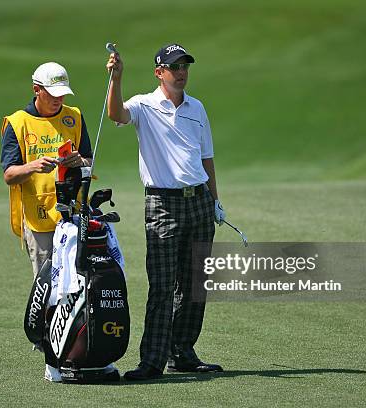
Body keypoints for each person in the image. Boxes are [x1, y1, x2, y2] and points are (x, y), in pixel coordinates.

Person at [106, 43, 227, 380]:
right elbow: (116, 115)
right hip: (163, 203)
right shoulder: (144, 105)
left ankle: (183, 353)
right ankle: (152, 361)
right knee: (162, 286)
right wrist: (116, 78)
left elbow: (206, 158)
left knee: (195, 283)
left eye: (185, 66)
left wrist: (215, 200)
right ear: (159, 72)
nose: (182, 72)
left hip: (200, 202)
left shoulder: (197, 108)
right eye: (175, 67)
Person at [1, 62, 93, 279]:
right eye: (53, 94)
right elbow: (9, 175)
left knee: (78, 280)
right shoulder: (17, 123)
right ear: (36, 89)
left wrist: (78, 160)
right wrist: (33, 166)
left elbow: (89, 160)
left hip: (75, 211)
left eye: (62, 94)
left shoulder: (74, 117)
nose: (58, 100)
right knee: (47, 284)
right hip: (38, 217)